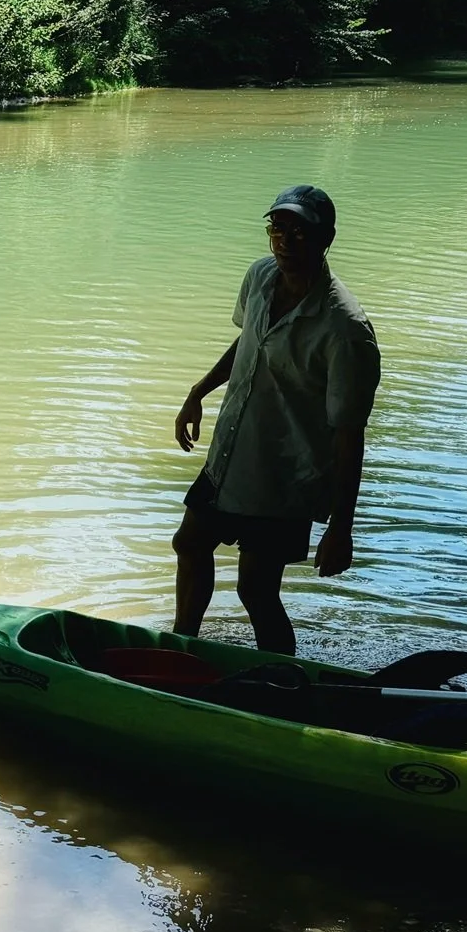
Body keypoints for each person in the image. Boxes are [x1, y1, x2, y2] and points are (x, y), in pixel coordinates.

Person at [171, 186, 380, 654]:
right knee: (189, 543)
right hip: (230, 455)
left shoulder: (344, 329)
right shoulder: (261, 276)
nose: (285, 241)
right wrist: (198, 391)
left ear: (326, 239)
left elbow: (349, 436)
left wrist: (340, 528)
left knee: (256, 591)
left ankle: (283, 681)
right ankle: (181, 646)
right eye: (278, 229)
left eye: (300, 232)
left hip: (284, 476)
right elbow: (250, 342)